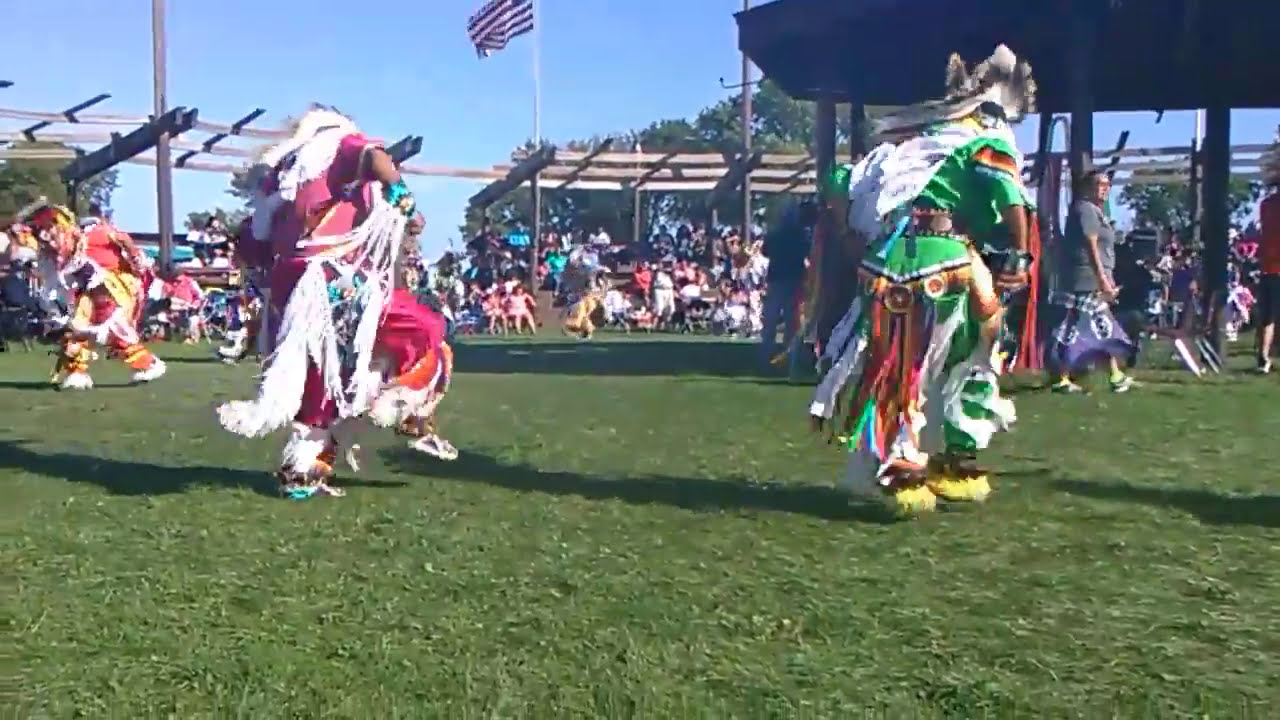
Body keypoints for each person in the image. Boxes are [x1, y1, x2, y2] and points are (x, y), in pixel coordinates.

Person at [808, 45, 1037, 516]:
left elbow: (835, 182)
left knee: (921, 361)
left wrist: (857, 246)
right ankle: (919, 466)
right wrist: (1020, 253)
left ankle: (927, 461)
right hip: (939, 262)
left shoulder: (901, 151)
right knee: (947, 359)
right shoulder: (984, 143)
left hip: (893, 263)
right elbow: (1011, 198)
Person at [216, 105, 457, 499]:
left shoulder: (282, 174)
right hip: (335, 279)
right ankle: (399, 408)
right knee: (424, 332)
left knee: (321, 377)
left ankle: (303, 469)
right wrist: (404, 201)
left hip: (293, 286)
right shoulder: (334, 147)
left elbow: (254, 244)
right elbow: (376, 159)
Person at [17, 200, 166, 389]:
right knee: (77, 328)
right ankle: (77, 373)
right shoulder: (59, 252)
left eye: (50, 230)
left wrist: (136, 259)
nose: (47, 239)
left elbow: (124, 241)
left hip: (111, 286)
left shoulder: (97, 234)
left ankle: (148, 363)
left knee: (111, 327)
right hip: (89, 287)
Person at [1044, 170, 1135, 392]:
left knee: (1074, 327)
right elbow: (1091, 245)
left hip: (1088, 278)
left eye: (1107, 184)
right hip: (1085, 279)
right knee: (1102, 327)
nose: (1104, 188)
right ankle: (1113, 376)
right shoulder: (1085, 209)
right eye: (1099, 184)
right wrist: (1102, 279)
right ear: (1086, 188)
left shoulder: (1096, 211)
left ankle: (1065, 377)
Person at [760, 200, 814, 367]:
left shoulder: (775, 234)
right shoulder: (802, 235)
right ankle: (788, 354)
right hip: (793, 279)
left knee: (771, 319)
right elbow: (808, 252)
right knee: (791, 320)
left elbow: (765, 251)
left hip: (778, 278)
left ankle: (767, 352)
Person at [1256, 142, 1279, 373]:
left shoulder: (1267, 205)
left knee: (1268, 317)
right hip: (1274, 266)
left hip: (1270, 267)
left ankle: (1263, 358)